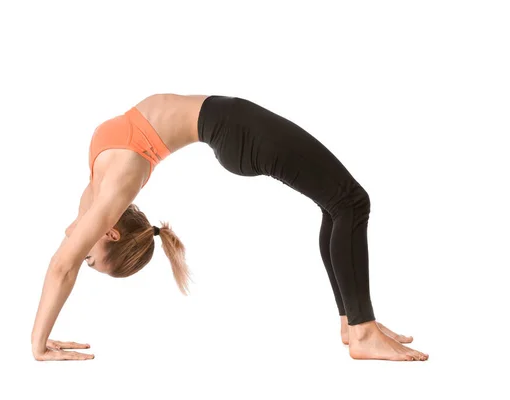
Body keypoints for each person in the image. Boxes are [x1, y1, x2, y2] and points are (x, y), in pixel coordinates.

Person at [31, 94, 428, 362]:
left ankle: (352, 323)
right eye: (92, 261)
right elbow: (62, 266)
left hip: (232, 128)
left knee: (337, 205)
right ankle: (362, 331)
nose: (82, 254)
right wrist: (39, 344)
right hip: (236, 129)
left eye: (91, 264)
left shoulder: (97, 194)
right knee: (350, 203)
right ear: (111, 233)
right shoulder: (113, 189)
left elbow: (67, 248)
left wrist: (43, 338)